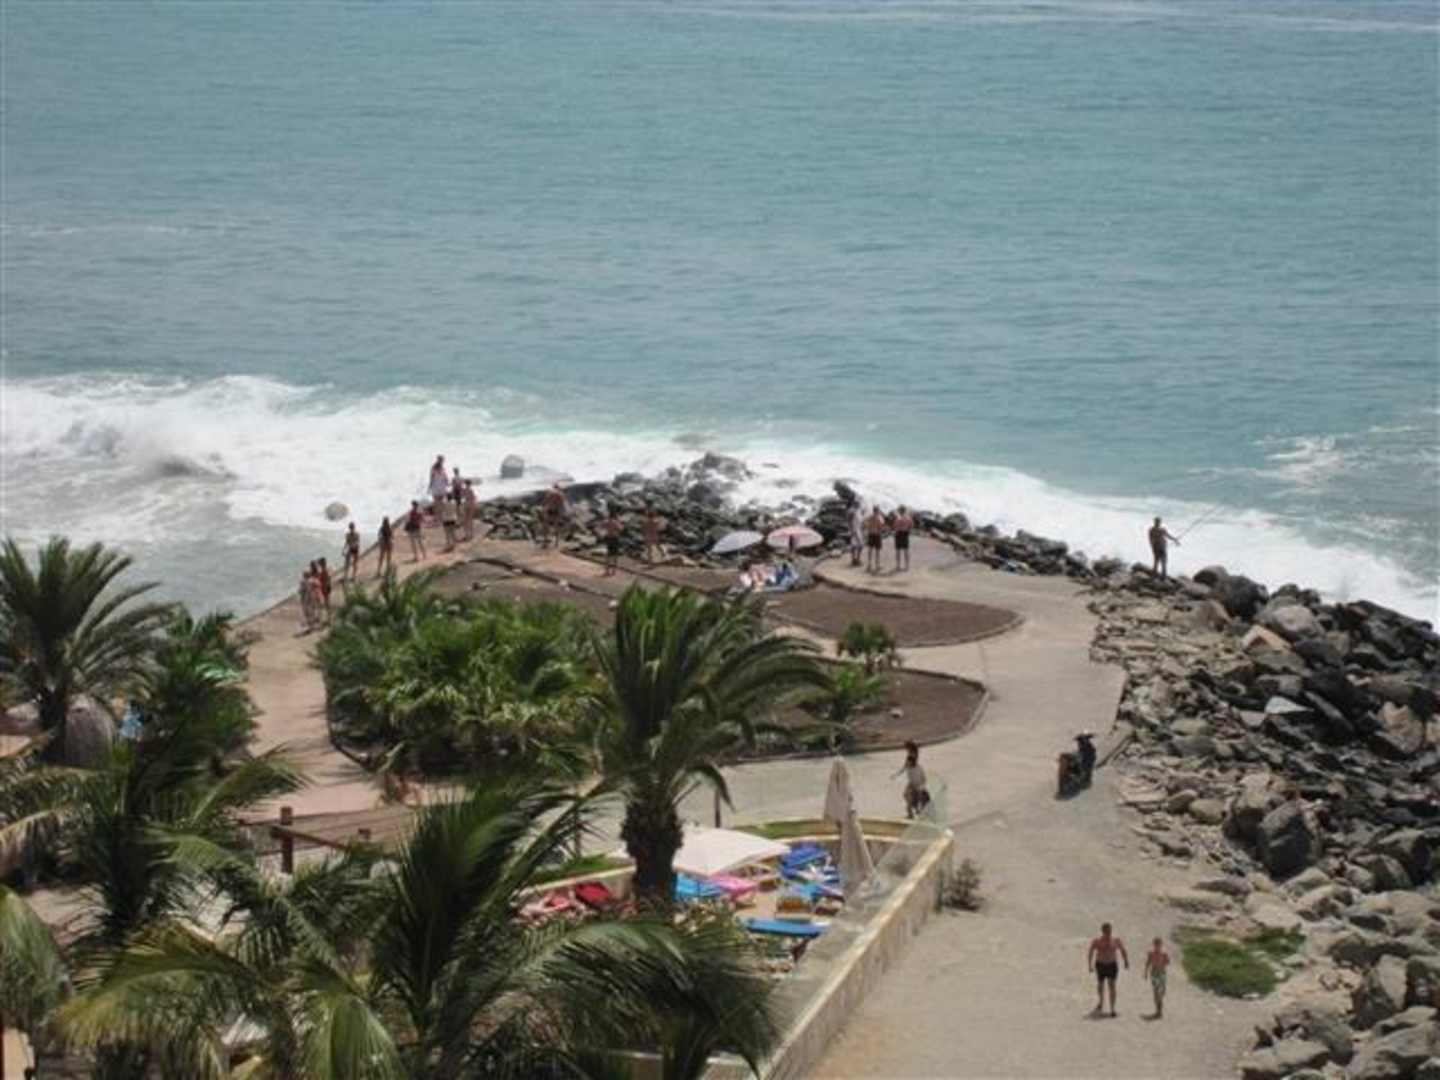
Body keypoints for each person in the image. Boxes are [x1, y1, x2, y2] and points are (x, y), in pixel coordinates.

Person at [1088, 923, 1130, 1016]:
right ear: (1102, 931)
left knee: (1112, 986)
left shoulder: (1116, 940)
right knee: (1100, 985)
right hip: (1100, 965)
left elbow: (1123, 950)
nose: (1108, 933)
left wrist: (1126, 961)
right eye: (1106, 931)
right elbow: (1091, 951)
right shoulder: (1097, 941)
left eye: (1109, 931)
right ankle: (1101, 1002)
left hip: (1112, 965)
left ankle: (1112, 1009)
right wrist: (1089, 965)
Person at [891, 740, 931, 819]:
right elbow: (905, 767)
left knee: (911, 797)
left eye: (906, 747)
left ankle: (913, 812)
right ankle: (913, 811)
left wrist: (920, 786)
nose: (905, 749)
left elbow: (923, 778)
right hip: (912, 783)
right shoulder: (911, 760)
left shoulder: (915, 763)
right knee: (906, 795)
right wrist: (896, 775)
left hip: (916, 784)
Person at [1144, 937, 1170, 1018]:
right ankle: (1158, 1011)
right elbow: (1147, 963)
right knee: (1156, 992)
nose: (1157, 946)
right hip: (1154, 973)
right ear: (1154, 945)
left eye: (1158, 944)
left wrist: (1164, 961)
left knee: (1162, 992)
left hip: (1162, 973)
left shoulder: (1164, 953)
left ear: (1161, 945)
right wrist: (1145, 972)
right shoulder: (1151, 953)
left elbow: (1168, 962)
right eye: (1156, 944)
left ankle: (1159, 1007)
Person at [540, 484, 567, 548]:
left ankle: (545, 542)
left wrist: (543, 509)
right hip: (556, 511)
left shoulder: (550, 493)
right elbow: (562, 505)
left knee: (546, 526)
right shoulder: (561, 495)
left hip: (550, 510)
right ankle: (556, 542)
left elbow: (545, 502)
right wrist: (562, 513)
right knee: (556, 526)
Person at [601, 506, 622, 575]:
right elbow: (620, 529)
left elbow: (601, 526)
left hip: (608, 538)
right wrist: (619, 521)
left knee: (608, 554)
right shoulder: (615, 522)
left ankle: (607, 570)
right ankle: (614, 571)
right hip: (615, 538)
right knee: (615, 555)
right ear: (614, 515)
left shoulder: (606, 521)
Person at [864, 506, 886, 574]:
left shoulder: (870, 517)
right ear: (878, 510)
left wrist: (869, 528)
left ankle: (869, 564)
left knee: (870, 550)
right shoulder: (879, 517)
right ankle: (877, 565)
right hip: (877, 535)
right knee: (877, 551)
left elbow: (865, 523)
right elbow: (881, 526)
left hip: (871, 534)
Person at [893, 504, 914, 572]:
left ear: (900, 511)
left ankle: (898, 566)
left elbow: (895, 526)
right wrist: (908, 529)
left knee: (898, 551)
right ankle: (906, 566)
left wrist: (897, 529)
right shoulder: (908, 517)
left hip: (899, 533)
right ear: (905, 510)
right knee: (906, 550)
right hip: (905, 533)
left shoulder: (897, 517)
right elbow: (911, 525)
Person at [848, 502, 865, 567]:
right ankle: (854, 559)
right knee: (855, 545)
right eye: (858, 503)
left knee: (858, 545)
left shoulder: (859, 511)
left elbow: (861, 521)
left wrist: (863, 529)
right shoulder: (852, 511)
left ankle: (857, 559)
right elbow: (849, 521)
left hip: (859, 530)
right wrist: (851, 530)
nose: (859, 504)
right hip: (854, 530)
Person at [317, 557, 333, 622]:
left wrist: (325, 588)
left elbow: (325, 580)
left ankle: (329, 618)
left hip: (325, 588)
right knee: (327, 602)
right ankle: (329, 617)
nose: (319, 565)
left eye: (319, 563)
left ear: (322, 564)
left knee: (327, 603)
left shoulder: (324, 571)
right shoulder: (327, 569)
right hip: (327, 587)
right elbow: (329, 579)